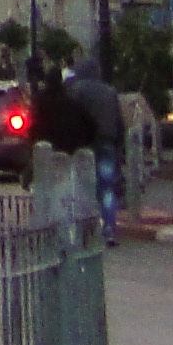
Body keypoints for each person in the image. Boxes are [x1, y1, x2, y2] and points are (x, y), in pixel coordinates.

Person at [72, 53, 127, 241]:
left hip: (85, 146)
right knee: (107, 187)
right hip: (107, 143)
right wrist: (120, 145)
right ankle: (109, 227)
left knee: (84, 188)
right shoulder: (110, 92)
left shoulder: (77, 90)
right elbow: (119, 121)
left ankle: (87, 231)